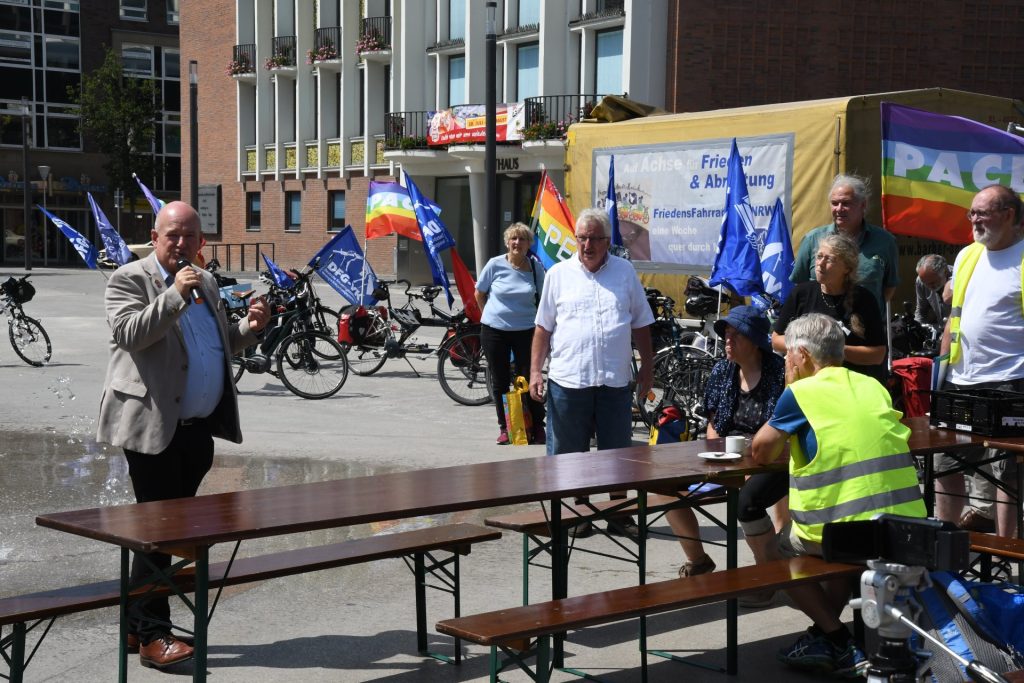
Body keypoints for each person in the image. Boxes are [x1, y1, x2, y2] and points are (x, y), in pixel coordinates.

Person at [96, 201, 269, 669]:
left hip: (197, 432)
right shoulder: (129, 279)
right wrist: (173, 294)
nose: (180, 244)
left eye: (189, 236)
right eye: (171, 235)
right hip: (153, 428)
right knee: (161, 532)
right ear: (154, 237)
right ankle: (155, 636)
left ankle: (135, 626)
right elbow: (131, 334)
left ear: (202, 243)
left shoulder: (206, 281)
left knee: (163, 535)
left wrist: (249, 329)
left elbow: (216, 345)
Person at [751, 313, 926, 676]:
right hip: (904, 527)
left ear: (802, 355)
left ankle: (835, 638)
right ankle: (824, 634)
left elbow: (761, 452)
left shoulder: (800, 392)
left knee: (777, 553)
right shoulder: (872, 385)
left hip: (850, 533)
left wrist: (788, 389)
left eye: (788, 354)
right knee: (843, 547)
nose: (786, 360)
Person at [530, 207, 654, 538]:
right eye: (582, 238)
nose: (587, 245)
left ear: (607, 241)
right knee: (571, 453)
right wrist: (535, 373)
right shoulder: (558, 274)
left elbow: (642, 323)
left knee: (618, 451)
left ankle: (618, 514)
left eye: (594, 239)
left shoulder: (625, 273)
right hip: (569, 380)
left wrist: (647, 369)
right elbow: (542, 328)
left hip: (614, 381)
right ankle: (578, 513)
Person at [664, 306, 786, 587]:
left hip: (768, 457)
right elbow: (714, 424)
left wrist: (747, 463)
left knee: (748, 503)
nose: (728, 340)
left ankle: (767, 576)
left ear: (755, 341)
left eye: (736, 335)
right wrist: (718, 453)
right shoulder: (722, 370)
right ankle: (698, 561)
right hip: (727, 455)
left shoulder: (779, 373)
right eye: (726, 334)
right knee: (665, 489)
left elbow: (783, 430)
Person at [935, 184, 1024, 539]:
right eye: (971, 212)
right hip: (961, 379)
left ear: (1009, 215)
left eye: (981, 213)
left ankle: (1007, 551)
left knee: (1007, 472)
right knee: (944, 464)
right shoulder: (967, 255)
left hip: (1011, 379)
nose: (973, 219)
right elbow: (954, 318)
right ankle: (947, 548)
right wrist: (939, 372)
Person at [773, 233, 887, 384]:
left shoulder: (864, 300)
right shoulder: (801, 293)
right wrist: (810, 348)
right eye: (819, 256)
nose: (820, 264)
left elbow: (877, 355)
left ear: (847, 268)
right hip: (807, 385)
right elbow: (776, 340)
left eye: (830, 259)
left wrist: (833, 351)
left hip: (849, 387)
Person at [475, 222, 546, 445]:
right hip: (494, 331)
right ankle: (506, 427)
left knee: (528, 379)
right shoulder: (494, 264)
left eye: (522, 239)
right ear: (507, 242)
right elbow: (480, 293)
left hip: (526, 332)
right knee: (500, 381)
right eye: (513, 239)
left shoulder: (536, 268)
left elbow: (544, 300)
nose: (517, 243)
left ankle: (536, 425)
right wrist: (488, 316)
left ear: (529, 244)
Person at [790, 174, 899, 315]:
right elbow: (800, 284)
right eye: (834, 203)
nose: (839, 209)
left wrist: (868, 310)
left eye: (846, 203)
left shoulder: (885, 241)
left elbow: (889, 286)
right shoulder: (813, 239)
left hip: (867, 328)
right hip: (820, 328)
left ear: (863, 205)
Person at [914, 253, 952, 336]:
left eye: (933, 282)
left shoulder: (960, 278)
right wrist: (916, 329)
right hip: (939, 330)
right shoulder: (921, 281)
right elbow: (921, 310)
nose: (930, 286)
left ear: (945, 272)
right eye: (926, 283)